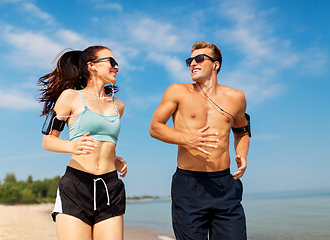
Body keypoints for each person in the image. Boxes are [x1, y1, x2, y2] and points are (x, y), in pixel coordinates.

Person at [149, 41, 250, 240]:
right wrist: (188, 139)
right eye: (189, 60)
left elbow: (242, 131)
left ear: (216, 65)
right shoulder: (178, 91)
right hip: (189, 184)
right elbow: (155, 127)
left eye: (199, 59)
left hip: (225, 184)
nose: (193, 64)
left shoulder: (236, 97)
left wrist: (242, 155)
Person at [38, 45, 127, 240]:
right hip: (76, 187)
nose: (117, 67)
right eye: (111, 62)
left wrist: (114, 159)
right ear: (92, 65)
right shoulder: (70, 97)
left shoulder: (118, 105)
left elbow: (106, 141)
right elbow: (47, 140)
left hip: (110, 186)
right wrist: (72, 146)